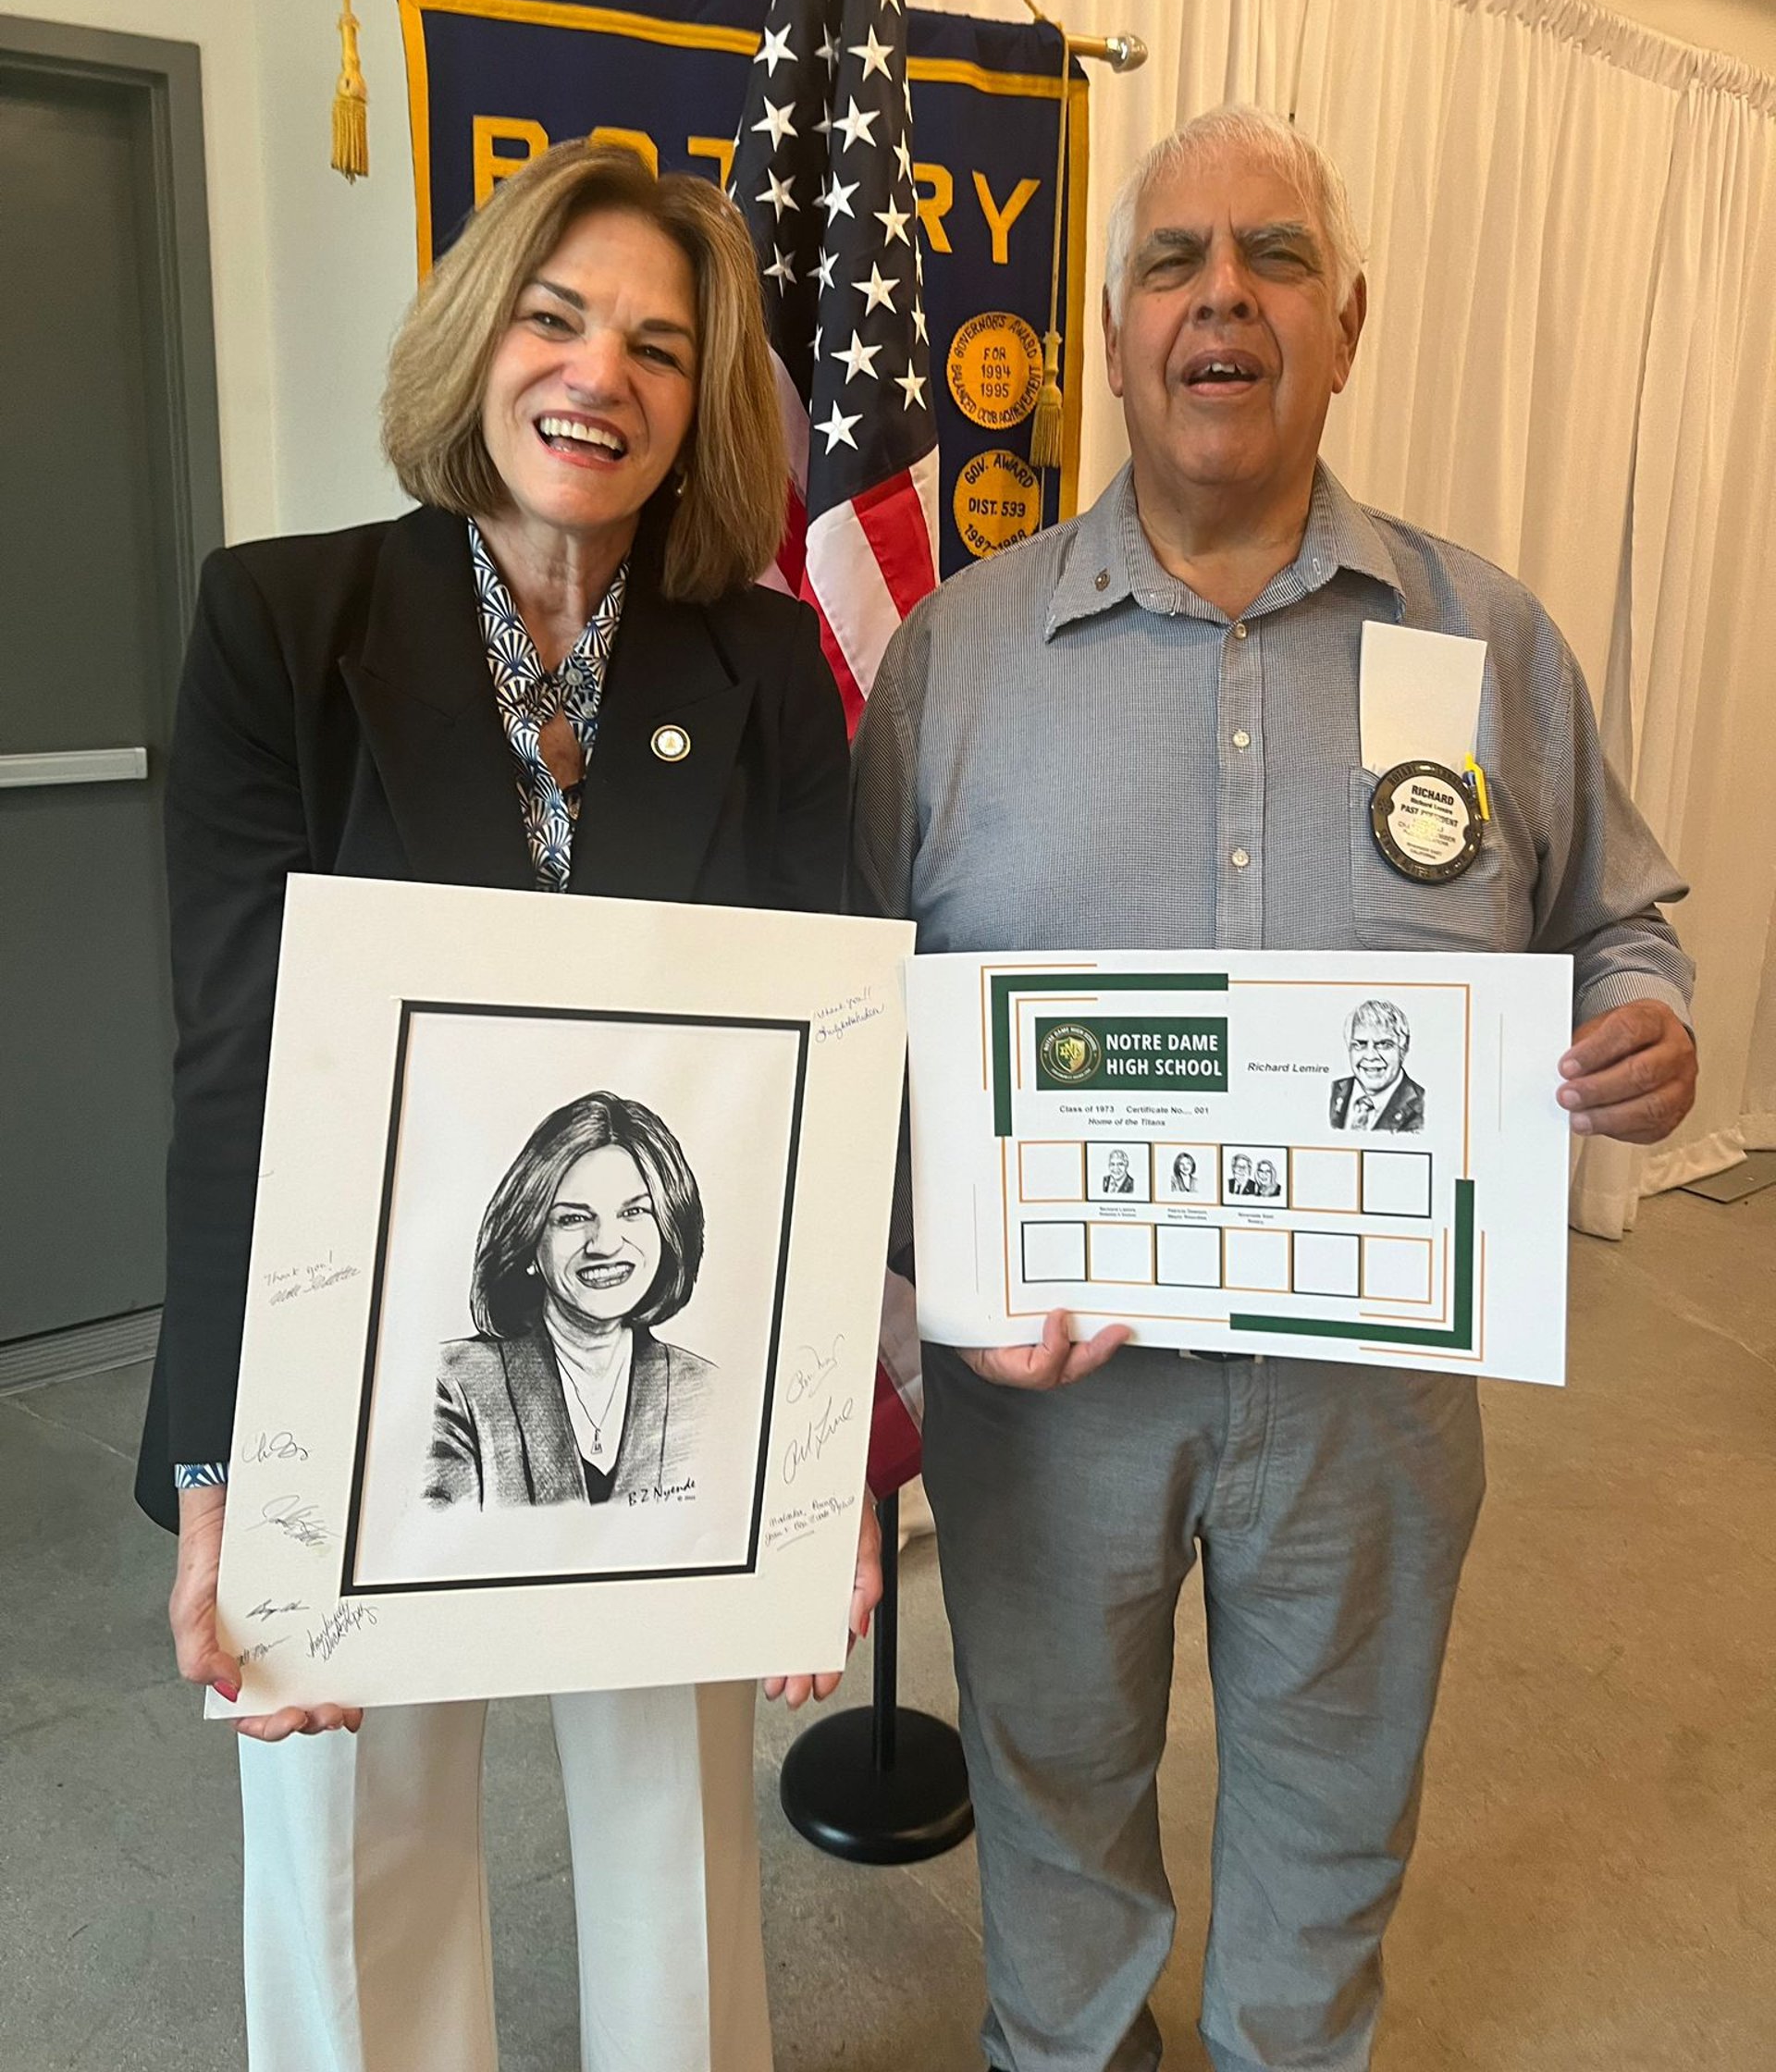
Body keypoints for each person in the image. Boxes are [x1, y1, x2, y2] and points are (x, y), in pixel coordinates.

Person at [851, 105, 1696, 2072]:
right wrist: (930, 1270)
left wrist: (1646, 1022)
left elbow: (1619, 921)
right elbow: (849, 1013)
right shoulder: (962, 662)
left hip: (1373, 1391)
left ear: (1347, 323)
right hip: (1049, 1387)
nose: (1222, 293)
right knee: (1051, 1778)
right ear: (1121, 332)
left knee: (1334, 1791)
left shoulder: (1485, 641)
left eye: (1274, 259)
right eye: (1173, 261)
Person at [136, 139, 882, 2072]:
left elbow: (815, 1076)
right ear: (480, 342)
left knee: (673, 1841)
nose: (600, 374)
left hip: (665, 1359)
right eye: (557, 319)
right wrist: (224, 1472)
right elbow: (235, 1062)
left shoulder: (769, 661)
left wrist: (823, 1471)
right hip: (346, 1353)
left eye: (656, 342)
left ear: (700, 402)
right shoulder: (280, 632)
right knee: (354, 1849)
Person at [426, 1090, 714, 1509]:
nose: (606, 1244)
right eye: (574, 1218)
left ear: (668, 1227)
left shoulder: (706, 1392)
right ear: (528, 1239)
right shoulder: (455, 1386)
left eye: (634, 1212)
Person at [1329, 998, 1424, 1131]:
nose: (1370, 1056)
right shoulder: (1332, 1091)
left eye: (1384, 1045)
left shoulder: (1422, 1105)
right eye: (1359, 1044)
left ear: (1403, 1048)